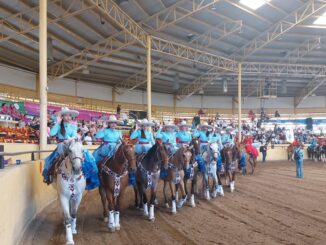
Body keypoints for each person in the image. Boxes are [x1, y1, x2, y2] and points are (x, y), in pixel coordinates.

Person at [42, 107, 99, 190]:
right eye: (66, 115)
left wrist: (71, 139)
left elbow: (74, 136)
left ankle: (88, 176)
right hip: (62, 145)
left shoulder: (73, 126)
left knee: (85, 155)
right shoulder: (58, 125)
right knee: (53, 159)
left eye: (69, 115)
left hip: (72, 144)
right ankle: (50, 175)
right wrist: (57, 123)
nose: (68, 117)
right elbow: (51, 133)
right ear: (62, 117)